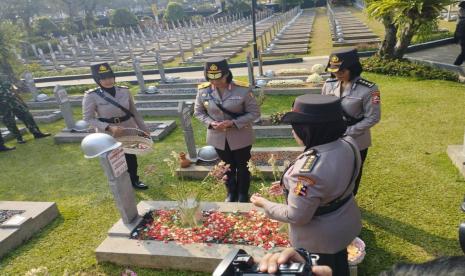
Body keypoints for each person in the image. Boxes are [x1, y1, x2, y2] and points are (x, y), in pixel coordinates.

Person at [250, 94, 362, 276]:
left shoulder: (308, 169)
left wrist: (264, 204)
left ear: (309, 130)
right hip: (345, 220)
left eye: (296, 127)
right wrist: (288, 188)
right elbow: (335, 181)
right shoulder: (348, 142)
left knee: (323, 270)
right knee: (339, 266)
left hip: (320, 239)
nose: (293, 132)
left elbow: (297, 216)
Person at [194, 57, 260, 202]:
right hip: (217, 136)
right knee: (226, 166)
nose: (215, 82)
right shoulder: (203, 91)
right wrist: (211, 123)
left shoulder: (243, 90)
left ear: (226, 74)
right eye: (211, 78)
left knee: (242, 166)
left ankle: (243, 193)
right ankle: (231, 192)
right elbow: (198, 112)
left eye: (218, 78)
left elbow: (254, 113)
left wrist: (233, 122)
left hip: (240, 135)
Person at [321, 48, 381, 196]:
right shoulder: (329, 84)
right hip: (332, 138)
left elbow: (373, 117)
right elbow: (323, 108)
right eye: (334, 71)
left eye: (342, 71)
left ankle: (349, 201)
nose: (337, 74)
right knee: (334, 171)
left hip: (357, 141)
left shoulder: (369, 89)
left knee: (352, 174)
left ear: (353, 69)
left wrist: (347, 132)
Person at [82, 63, 150, 190]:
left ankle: (134, 180)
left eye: (110, 77)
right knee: (115, 159)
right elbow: (88, 118)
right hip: (109, 134)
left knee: (131, 156)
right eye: (104, 78)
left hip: (128, 128)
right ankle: (121, 184)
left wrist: (144, 129)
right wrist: (108, 127)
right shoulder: (91, 96)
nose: (108, 81)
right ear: (98, 80)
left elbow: (134, 111)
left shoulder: (124, 91)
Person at [0, 74, 51, 144]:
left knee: (27, 116)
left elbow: (13, 90)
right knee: (10, 122)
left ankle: (36, 133)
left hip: (14, 102)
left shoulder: (3, 77)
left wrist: (22, 101)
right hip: (3, 106)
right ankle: (19, 139)